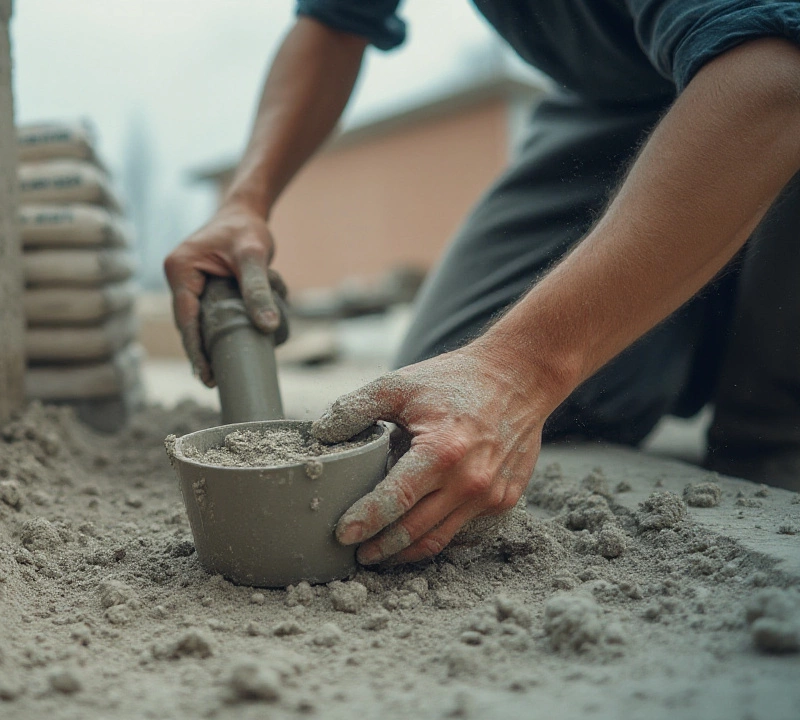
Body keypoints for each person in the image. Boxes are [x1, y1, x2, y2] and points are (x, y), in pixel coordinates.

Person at [164, 0, 800, 567]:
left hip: (771, 58)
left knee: (759, 437)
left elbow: (774, 76)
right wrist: (244, 202)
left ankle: (766, 407)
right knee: (440, 406)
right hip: (615, 92)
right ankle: (701, 317)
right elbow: (334, 22)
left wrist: (523, 371)